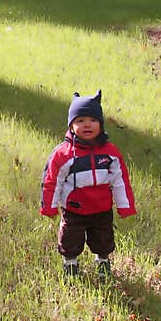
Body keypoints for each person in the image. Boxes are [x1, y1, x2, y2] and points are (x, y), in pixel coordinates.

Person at [40, 90, 136, 281]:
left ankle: (102, 261)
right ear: (71, 126)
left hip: (101, 208)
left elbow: (120, 180)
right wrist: (49, 206)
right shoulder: (64, 154)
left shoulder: (110, 153)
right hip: (74, 209)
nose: (86, 125)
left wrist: (125, 206)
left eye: (92, 120)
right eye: (80, 120)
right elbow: (52, 181)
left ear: (100, 123)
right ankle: (70, 263)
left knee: (103, 239)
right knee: (70, 239)